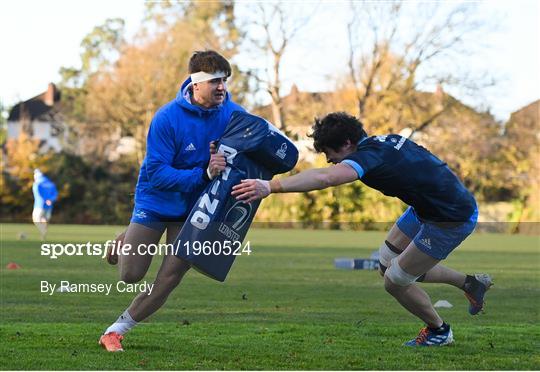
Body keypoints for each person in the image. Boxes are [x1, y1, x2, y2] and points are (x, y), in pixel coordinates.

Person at [232, 111, 493, 347]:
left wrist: (271, 186)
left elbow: (325, 178)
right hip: (426, 209)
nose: (330, 160)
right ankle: (469, 283)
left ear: (346, 143)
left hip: (450, 217)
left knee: (396, 280)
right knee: (386, 263)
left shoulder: (370, 156)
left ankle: (439, 331)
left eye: (329, 153)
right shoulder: (382, 141)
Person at [99, 50, 245, 352]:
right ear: (196, 84)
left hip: (194, 210)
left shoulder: (233, 114)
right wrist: (203, 173)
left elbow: (259, 142)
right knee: (131, 275)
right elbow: (157, 174)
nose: (222, 87)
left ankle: (116, 331)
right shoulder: (166, 118)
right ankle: (126, 237)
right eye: (215, 81)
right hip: (156, 201)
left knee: (171, 275)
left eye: (225, 81)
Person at [32, 169, 58, 240]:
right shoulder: (51, 184)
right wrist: (50, 200)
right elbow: (55, 194)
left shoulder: (37, 183)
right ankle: (43, 232)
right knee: (44, 219)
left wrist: (45, 200)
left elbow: (38, 194)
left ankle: (42, 230)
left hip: (39, 205)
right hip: (49, 206)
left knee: (36, 219)